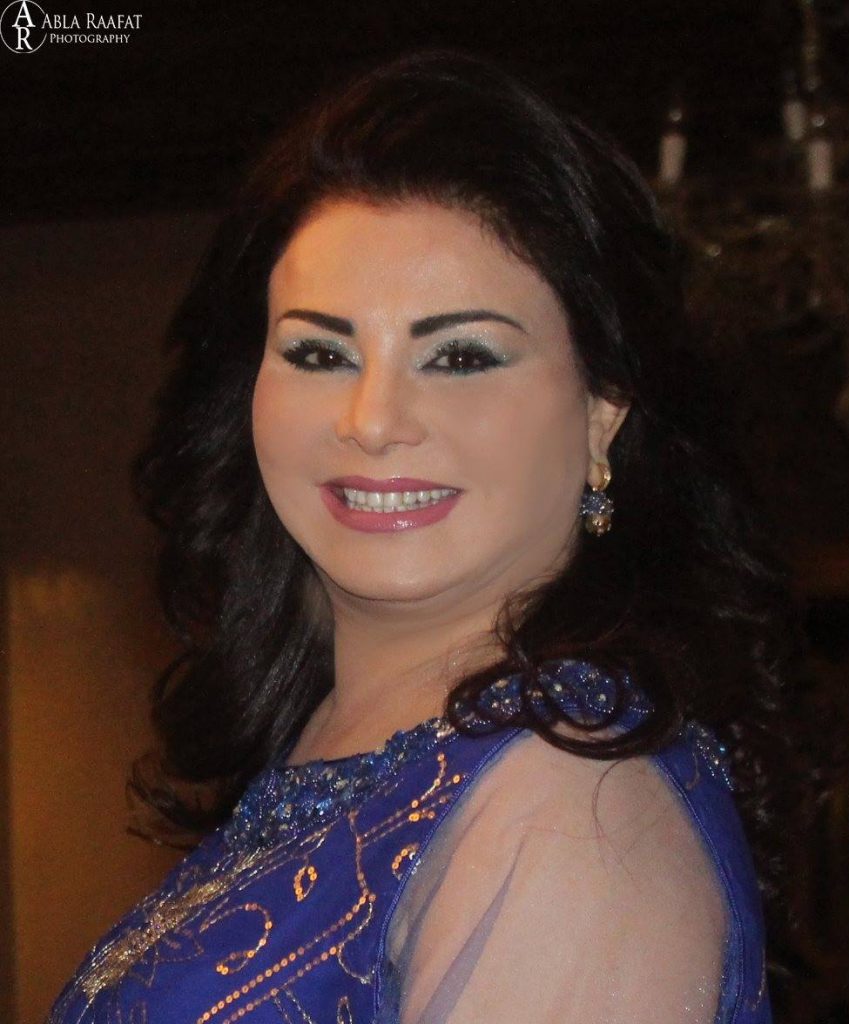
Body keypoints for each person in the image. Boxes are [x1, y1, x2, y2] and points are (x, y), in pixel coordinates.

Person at [50, 49, 806, 1024]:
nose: (371, 420)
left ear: (601, 413)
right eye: (319, 351)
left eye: (459, 356)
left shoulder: (568, 799)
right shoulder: (349, 737)